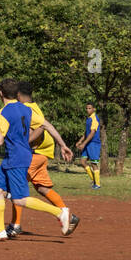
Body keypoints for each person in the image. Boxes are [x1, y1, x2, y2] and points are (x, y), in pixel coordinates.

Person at [0, 79, 74, 241]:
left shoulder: (3, 113)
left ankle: (60, 212)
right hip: (14, 158)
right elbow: (47, 126)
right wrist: (62, 145)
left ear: (1, 93)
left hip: (17, 158)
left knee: (19, 200)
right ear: (16, 93)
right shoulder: (26, 109)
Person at [15, 82, 78, 237]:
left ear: (18, 95)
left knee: (15, 186)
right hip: (43, 154)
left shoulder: (27, 109)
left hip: (36, 154)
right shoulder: (35, 106)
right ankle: (68, 216)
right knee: (42, 188)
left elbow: (40, 128)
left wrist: (25, 141)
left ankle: (15, 225)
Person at [75, 103, 102, 189]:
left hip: (93, 143)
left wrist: (83, 143)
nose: (88, 110)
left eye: (90, 108)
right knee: (82, 162)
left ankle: (97, 184)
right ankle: (94, 181)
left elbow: (92, 133)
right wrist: (80, 141)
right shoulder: (89, 119)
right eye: (87, 108)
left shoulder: (94, 118)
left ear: (94, 109)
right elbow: (86, 132)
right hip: (87, 143)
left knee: (94, 163)